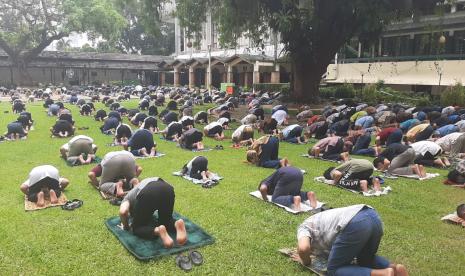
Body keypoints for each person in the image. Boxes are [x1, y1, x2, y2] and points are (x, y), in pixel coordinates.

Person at [295, 204, 408, 276]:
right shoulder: (321, 222)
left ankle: (383, 273)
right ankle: (395, 269)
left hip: (355, 223)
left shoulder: (304, 226)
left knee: (334, 269)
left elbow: (303, 248)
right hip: (373, 216)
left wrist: (305, 261)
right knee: (365, 259)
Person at [119, 177, 187, 247]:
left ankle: (158, 231)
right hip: (168, 188)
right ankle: (177, 224)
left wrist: (126, 227)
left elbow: (123, 212)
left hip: (148, 193)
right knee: (166, 220)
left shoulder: (128, 197)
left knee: (137, 228)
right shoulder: (145, 182)